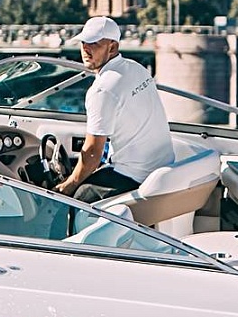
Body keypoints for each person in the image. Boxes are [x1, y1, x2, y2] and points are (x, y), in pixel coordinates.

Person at [55, 17, 176, 203]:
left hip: (134, 176)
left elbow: (92, 153)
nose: (86, 49)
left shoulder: (102, 90)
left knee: (71, 201)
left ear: (112, 47)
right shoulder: (137, 69)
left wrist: (66, 187)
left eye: (94, 43)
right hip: (162, 168)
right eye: (84, 42)